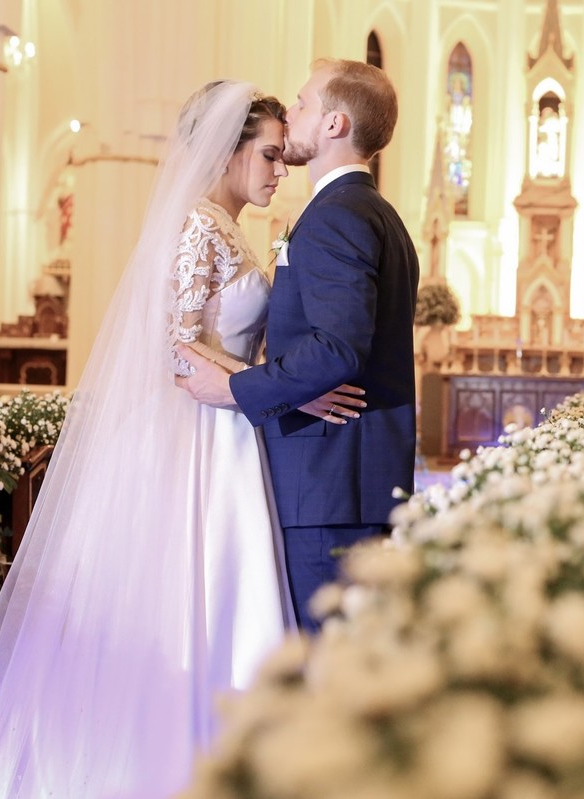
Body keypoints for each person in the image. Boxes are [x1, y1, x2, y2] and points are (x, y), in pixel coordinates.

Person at [0, 81, 355, 798]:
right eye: (269, 155)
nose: (280, 170)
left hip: (228, 436)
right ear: (228, 148)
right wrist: (276, 383)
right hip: (197, 440)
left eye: (282, 156)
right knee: (187, 608)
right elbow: (176, 348)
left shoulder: (227, 226)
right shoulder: (197, 228)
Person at [179, 59, 419, 632]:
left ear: (335, 124)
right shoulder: (372, 212)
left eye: (304, 103)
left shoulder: (336, 217)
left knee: (327, 664)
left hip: (330, 486)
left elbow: (337, 349)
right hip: (342, 481)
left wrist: (238, 385)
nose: (292, 115)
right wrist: (285, 388)